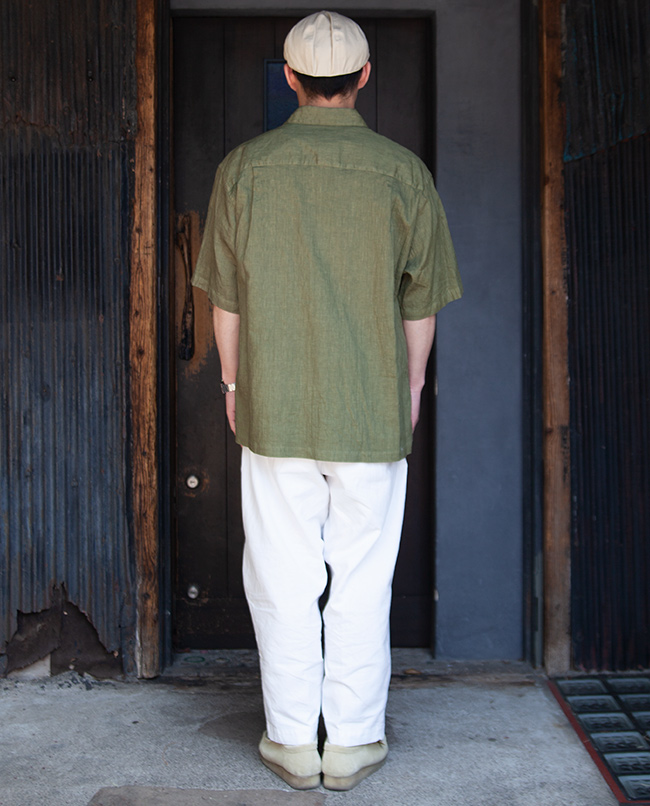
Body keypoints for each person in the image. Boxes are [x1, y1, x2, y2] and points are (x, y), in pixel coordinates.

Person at [192, 10, 462, 791]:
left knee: (281, 578)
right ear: (364, 78)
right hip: (370, 412)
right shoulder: (403, 173)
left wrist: (234, 385)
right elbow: (421, 304)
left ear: (290, 78)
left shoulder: (243, 170)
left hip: (275, 409)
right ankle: (351, 743)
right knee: (364, 579)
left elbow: (225, 300)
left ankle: (290, 742)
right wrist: (411, 387)